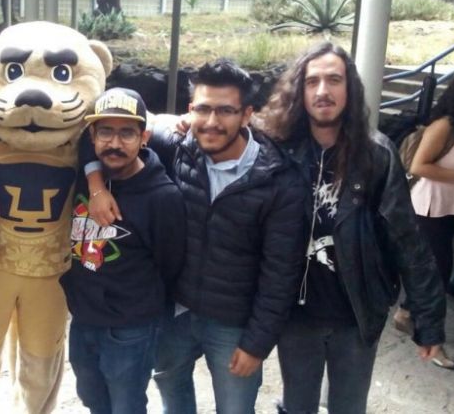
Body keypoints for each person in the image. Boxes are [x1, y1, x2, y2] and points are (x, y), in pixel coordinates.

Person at [89, 59, 308, 414]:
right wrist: (95, 184)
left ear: (247, 114)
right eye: (203, 109)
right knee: (172, 395)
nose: (212, 122)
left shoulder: (278, 181)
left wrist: (258, 342)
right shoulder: (176, 146)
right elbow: (99, 136)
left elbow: (281, 272)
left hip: (233, 323)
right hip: (174, 311)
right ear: (190, 110)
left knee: (235, 408)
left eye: (225, 111)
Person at [255, 42, 446, 414]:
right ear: (300, 90)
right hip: (295, 313)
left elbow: (407, 241)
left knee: (348, 407)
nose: (323, 91)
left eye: (333, 80)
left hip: (357, 312)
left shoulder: (377, 154)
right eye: (312, 82)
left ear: (350, 88)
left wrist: (429, 320)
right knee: (297, 405)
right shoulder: (276, 148)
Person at [61, 88, 186, 414]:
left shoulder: (163, 197)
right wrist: (96, 185)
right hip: (83, 319)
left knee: (126, 406)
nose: (114, 143)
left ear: (144, 137)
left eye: (127, 133)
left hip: (130, 326)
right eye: (106, 131)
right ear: (93, 136)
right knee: (93, 399)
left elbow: (170, 263)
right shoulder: (86, 177)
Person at [392, 75, 454, 369]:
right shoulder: (443, 126)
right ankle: (432, 342)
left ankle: (407, 313)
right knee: (438, 274)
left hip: (449, 208)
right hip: (426, 208)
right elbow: (418, 165)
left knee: (435, 273)